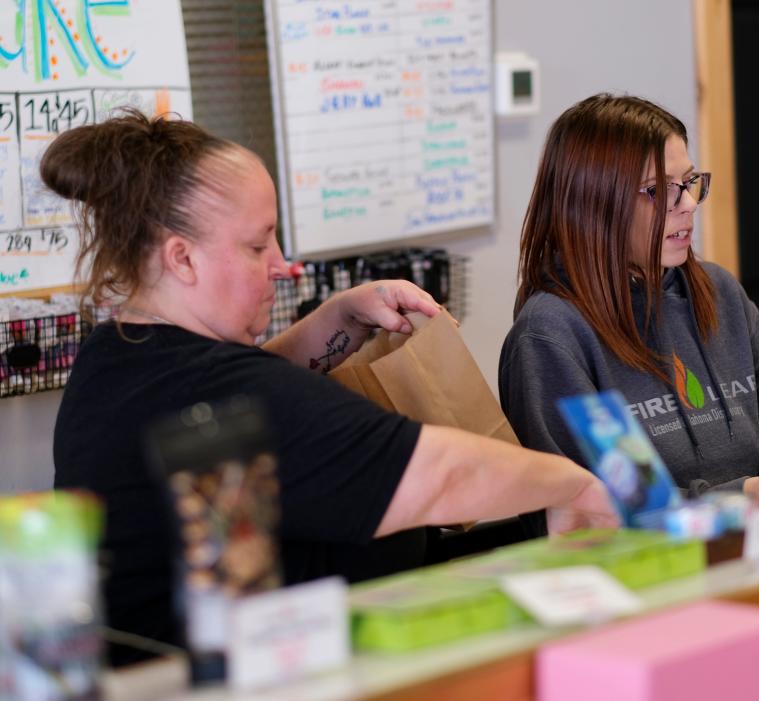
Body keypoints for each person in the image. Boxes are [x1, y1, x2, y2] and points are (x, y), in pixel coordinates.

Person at [44, 112, 618, 667]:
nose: (282, 265)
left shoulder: (116, 356)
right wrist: (571, 482)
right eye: (257, 245)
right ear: (182, 257)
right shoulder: (232, 392)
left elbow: (243, 386)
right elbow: (442, 474)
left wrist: (336, 319)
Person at [499, 94, 759, 526]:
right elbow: (602, 509)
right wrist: (733, 503)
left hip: (758, 550)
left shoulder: (718, 291)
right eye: (656, 191)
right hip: (644, 582)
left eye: (688, 183)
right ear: (594, 206)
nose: (687, 204)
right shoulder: (555, 335)